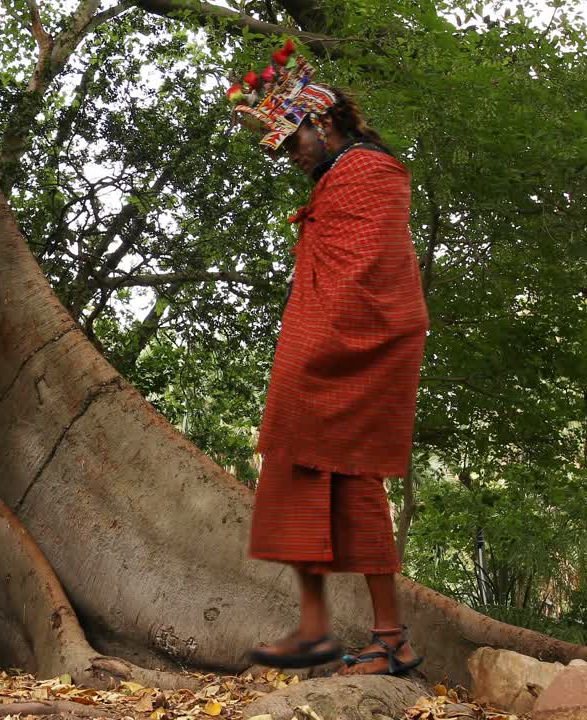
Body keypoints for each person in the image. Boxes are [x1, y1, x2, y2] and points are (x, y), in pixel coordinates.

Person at [226, 41, 430, 676]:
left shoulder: (370, 171)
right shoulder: (333, 178)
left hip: (363, 345)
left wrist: (320, 345)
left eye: (293, 142)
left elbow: (368, 269)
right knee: (291, 462)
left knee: (354, 474)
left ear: (323, 121)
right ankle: (314, 627)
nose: (290, 156)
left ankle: (392, 638)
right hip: (321, 341)